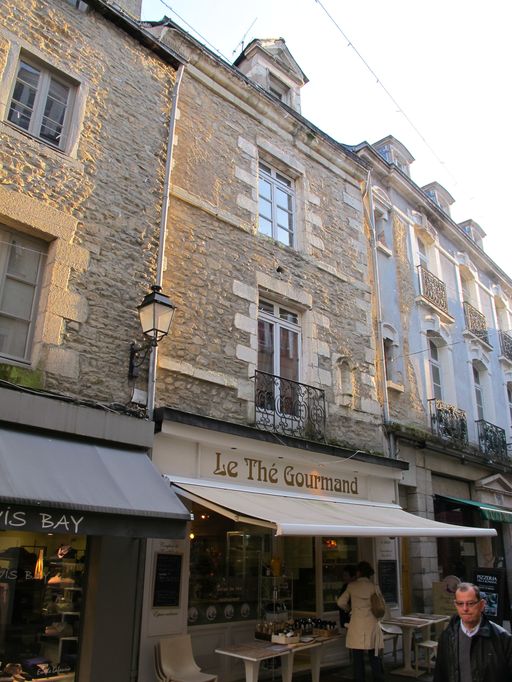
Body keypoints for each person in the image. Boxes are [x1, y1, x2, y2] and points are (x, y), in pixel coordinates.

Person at [434, 581, 512, 682]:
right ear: (455, 605)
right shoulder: (447, 636)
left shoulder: (503, 639)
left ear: (482, 605)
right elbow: (440, 675)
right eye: (460, 603)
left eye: (470, 603)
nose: (465, 608)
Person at [337, 560, 384, 682]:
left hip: (356, 623)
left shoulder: (352, 586)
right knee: (374, 654)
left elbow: (340, 602)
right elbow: (381, 605)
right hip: (371, 623)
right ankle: (378, 677)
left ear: (358, 573)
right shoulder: (374, 587)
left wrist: (349, 609)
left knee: (357, 656)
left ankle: (359, 678)